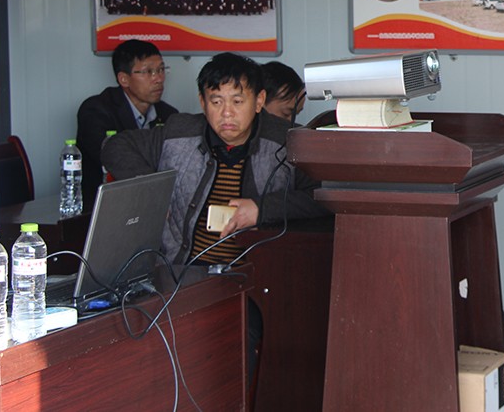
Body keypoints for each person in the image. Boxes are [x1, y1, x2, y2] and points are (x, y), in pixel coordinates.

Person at [101, 52, 328, 267]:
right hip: (181, 269)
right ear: (203, 102)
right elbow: (115, 146)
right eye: (217, 102)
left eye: (237, 101)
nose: (227, 113)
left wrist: (262, 209)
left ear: (259, 101)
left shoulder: (288, 140)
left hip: (258, 275)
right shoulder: (179, 131)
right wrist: (153, 190)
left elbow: (324, 195)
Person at [76, 40, 178, 209]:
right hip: (105, 207)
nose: (159, 79)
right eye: (148, 72)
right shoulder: (96, 110)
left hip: (155, 206)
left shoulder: (169, 115)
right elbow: (112, 157)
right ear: (124, 79)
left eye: (161, 69)